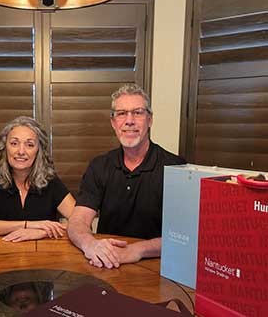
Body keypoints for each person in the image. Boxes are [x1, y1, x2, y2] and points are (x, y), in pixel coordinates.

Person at [68, 83, 186, 269]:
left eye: (137, 112)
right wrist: (90, 244)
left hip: (158, 268)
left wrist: (137, 250)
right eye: (121, 113)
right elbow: (78, 221)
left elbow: (182, 235)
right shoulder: (99, 166)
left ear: (150, 119)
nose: (129, 120)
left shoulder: (176, 169)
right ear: (113, 122)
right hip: (106, 264)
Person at [0, 116, 75, 242]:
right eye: (14, 143)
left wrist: (42, 233)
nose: (21, 151)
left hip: (44, 256)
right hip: (1, 254)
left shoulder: (51, 181)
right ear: (5, 147)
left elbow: (82, 224)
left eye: (29, 145)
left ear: (39, 151)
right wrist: (27, 225)